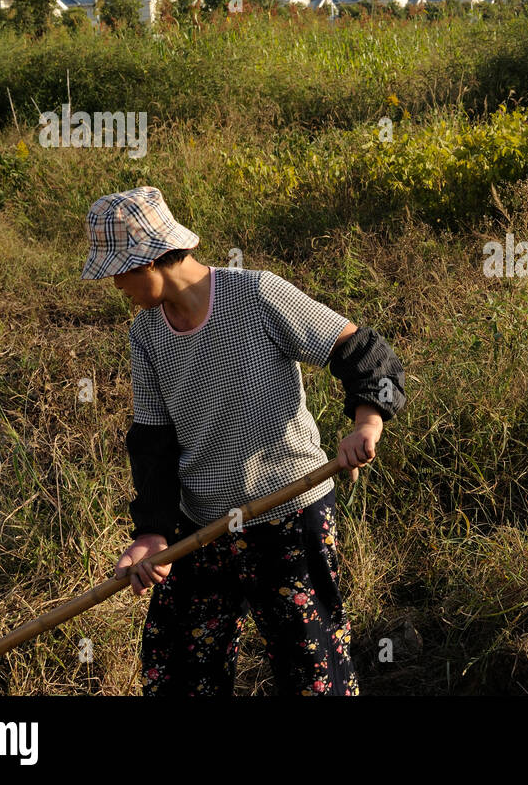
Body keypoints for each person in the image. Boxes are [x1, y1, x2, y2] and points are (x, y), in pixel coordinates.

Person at [81, 186, 406, 696]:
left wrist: (367, 422)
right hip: (202, 527)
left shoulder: (255, 295)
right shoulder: (145, 333)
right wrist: (151, 533)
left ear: (149, 259)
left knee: (312, 665)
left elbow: (364, 352)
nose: (114, 284)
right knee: (179, 669)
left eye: (117, 272)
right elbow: (153, 442)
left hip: (290, 511)